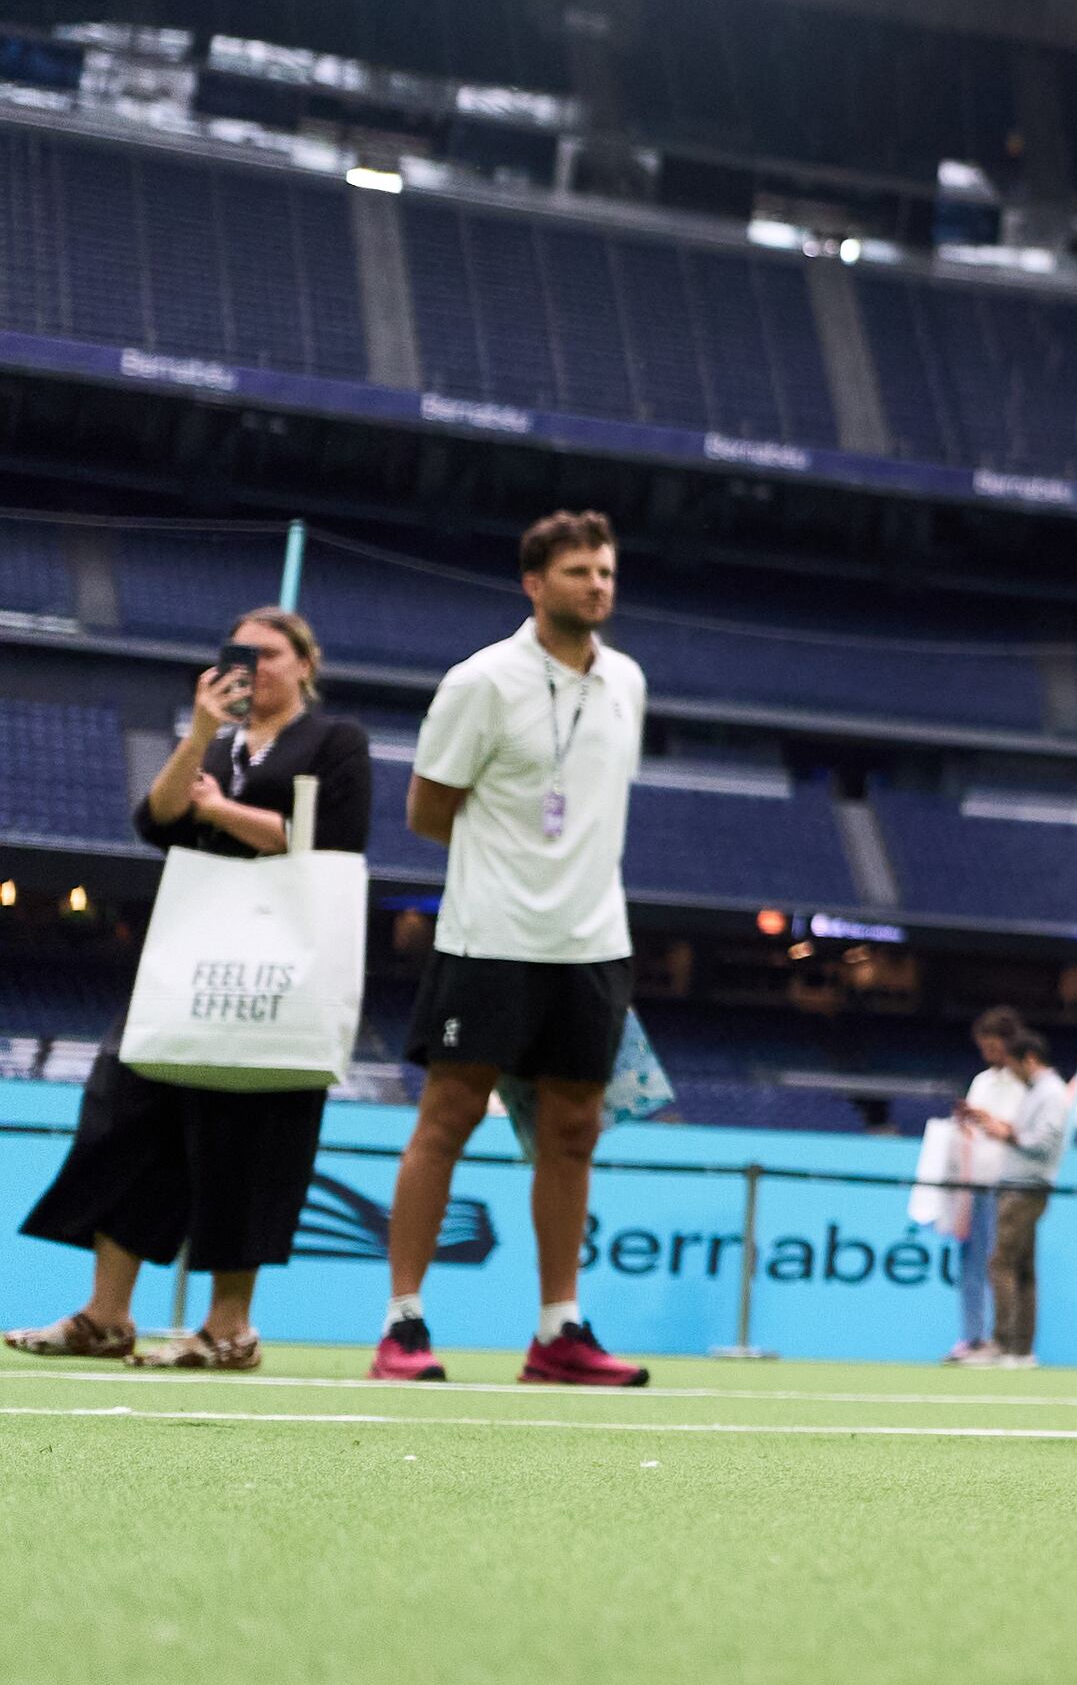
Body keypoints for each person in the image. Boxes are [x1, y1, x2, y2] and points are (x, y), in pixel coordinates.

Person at [8, 607, 367, 1369]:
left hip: (278, 969)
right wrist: (200, 732)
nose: (254, 668)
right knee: (124, 1113)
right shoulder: (219, 744)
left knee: (251, 1136)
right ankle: (106, 1315)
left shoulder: (335, 742)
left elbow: (329, 839)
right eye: (241, 655)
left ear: (307, 662)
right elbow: (156, 818)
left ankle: (229, 1327)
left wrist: (219, 809)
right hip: (187, 961)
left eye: (271, 654)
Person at [382, 511, 658, 1389]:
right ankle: (404, 1324)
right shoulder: (482, 680)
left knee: (575, 1131)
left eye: (606, 571)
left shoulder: (628, 681)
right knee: (450, 1119)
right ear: (534, 583)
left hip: (592, 944)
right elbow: (429, 810)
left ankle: (558, 1332)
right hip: (489, 937)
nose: (598, 585)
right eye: (579, 571)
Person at [952, 1007, 1072, 1366]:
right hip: (1018, 1184)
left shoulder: (1048, 1092)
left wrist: (1009, 1133)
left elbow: (1043, 1140)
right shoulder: (1038, 1090)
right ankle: (1019, 1349)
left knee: (1002, 1264)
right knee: (1020, 1268)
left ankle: (1003, 1344)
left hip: (1024, 1186)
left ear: (1027, 1058)